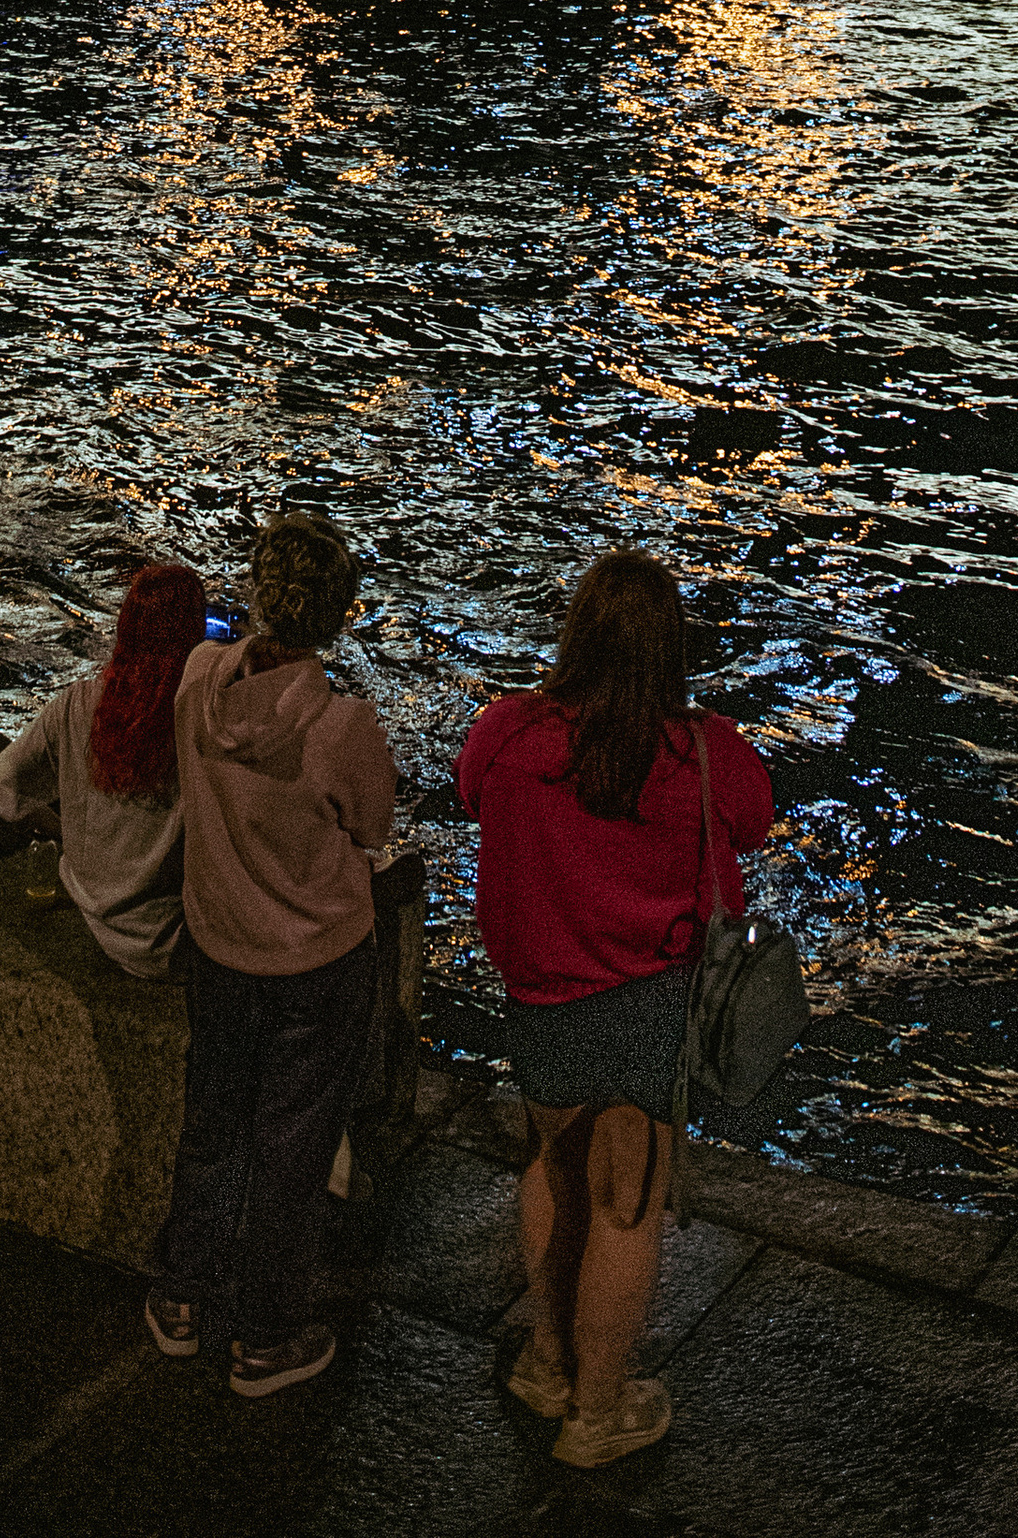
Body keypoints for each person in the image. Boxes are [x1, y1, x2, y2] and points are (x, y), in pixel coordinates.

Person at [456, 550, 773, 1472]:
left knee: (551, 1163)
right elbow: (753, 820)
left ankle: (549, 1363)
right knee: (624, 1203)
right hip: (651, 1001)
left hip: (543, 994)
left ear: (577, 635)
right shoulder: (704, 752)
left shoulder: (510, 735)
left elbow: (472, 793)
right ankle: (598, 1412)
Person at [145, 509, 396, 1398]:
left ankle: (181, 1295)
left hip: (219, 942)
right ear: (339, 613)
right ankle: (265, 1336)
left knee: (212, 1121)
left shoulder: (197, 683)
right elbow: (372, 829)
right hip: (315, 963)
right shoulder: (340, 728)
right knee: (292, 1149)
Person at [0, 560, 206, 978]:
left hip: (97, 921)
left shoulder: (77, 704)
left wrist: (68, 834)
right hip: (177, 940)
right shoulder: (202, 723)